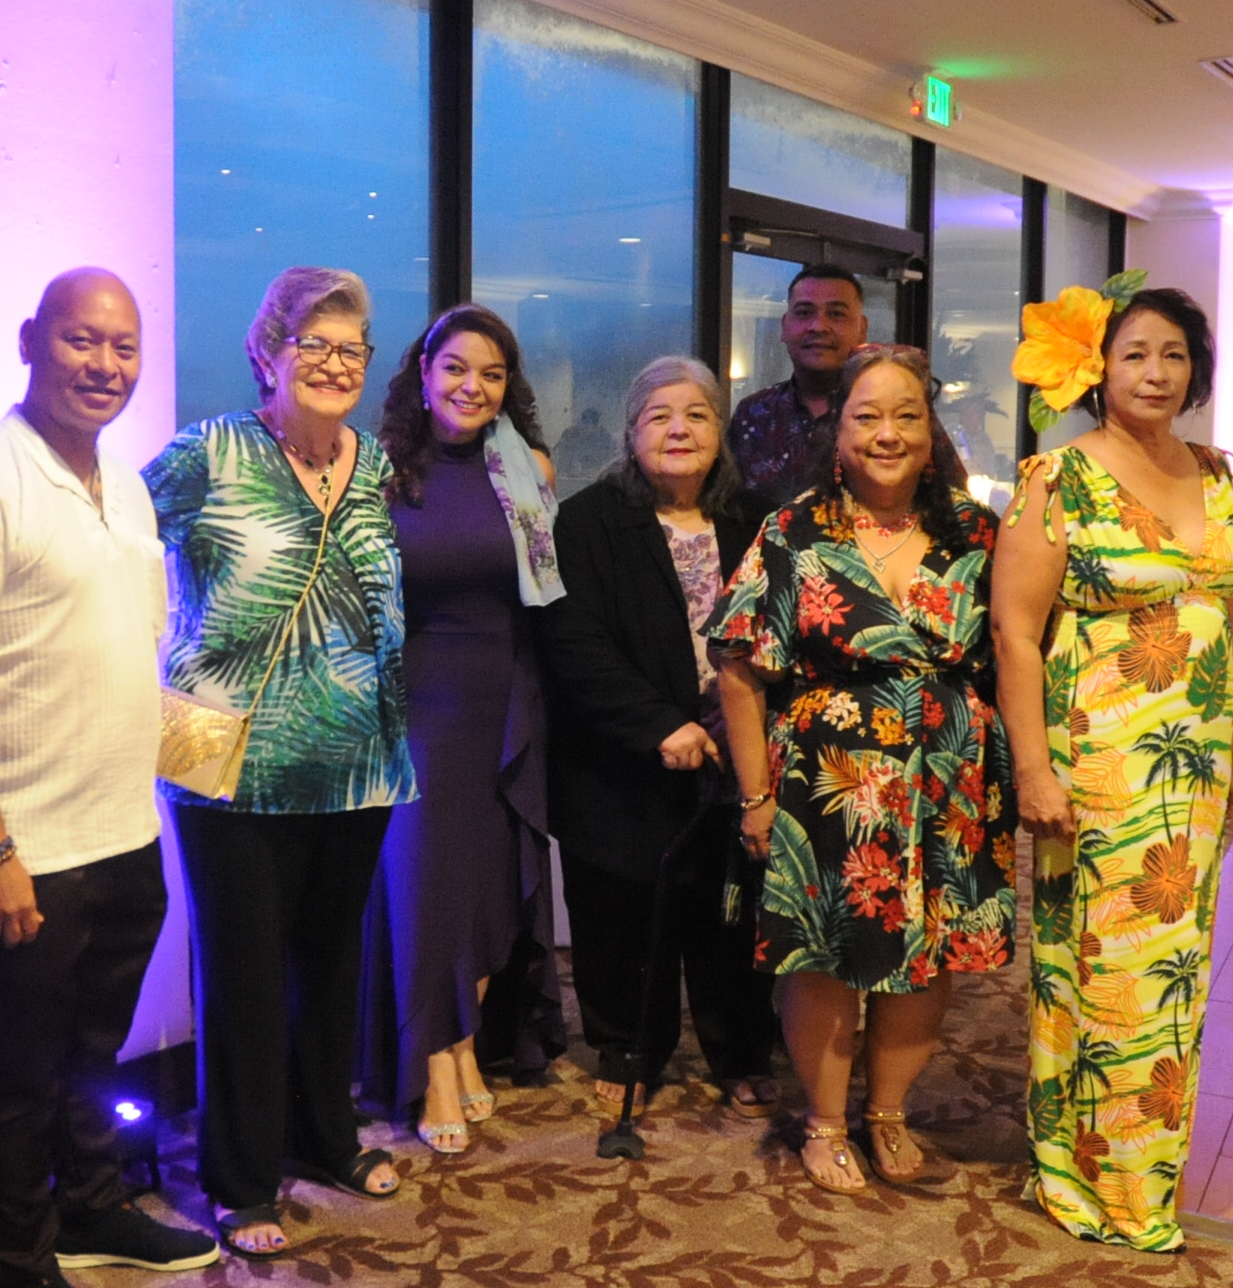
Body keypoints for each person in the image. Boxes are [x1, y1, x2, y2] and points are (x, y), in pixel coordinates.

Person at [0, 269, 220, 1288]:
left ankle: (92, 1208)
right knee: (17, 1068)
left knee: (95, 1048)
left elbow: (127, 646)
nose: (105, 365)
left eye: (123, 347)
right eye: (83, 341)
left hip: (124, 832)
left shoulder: (123, 484)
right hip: (22, 849)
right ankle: (23, 1265)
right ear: (32, 340)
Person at [144, 266, 414, 1259]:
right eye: (317, 344)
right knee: (246, 973)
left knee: (332, 958)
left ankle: (324, 1134)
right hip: (229, 762)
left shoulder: (373, 464)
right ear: (268, 351)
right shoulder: (206, 453)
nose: (337, 363)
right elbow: (113, 549)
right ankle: (242, 1175)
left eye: (354, 348)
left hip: (358, 756)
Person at [712, 348, 1016, 1195]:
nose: (887, 433)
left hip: (947, 778)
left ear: (932, 429)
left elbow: (1024, 653)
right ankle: (821, 1119)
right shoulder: (791, 530)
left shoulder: (979, 533)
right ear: (837, 431)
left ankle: (886, 1113)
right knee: (822, 956)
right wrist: (756, 798)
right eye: (866, 415)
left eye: (907, 415)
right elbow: (738, 669)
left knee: (927, 954)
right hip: (827, 778)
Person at [993, 280, 1233, 1251]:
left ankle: (1149, 1178)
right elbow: (1015, 635)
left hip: (1191, 770)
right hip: (1095, 764)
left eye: (1173, 354)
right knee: (1103, 976)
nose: (1155, 371)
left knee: (1173, 977)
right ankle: (1085, 1175)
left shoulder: (1218, 475)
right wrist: (1032, 768)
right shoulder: (1053, 478)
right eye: (1135, 351)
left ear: (1194, 371)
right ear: (1098, 368)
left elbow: (1232, 620)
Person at [543, 356, 781, 1122]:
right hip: (621, 757)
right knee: (619, 908)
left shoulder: (758, 518)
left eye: (698, 414)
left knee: (732, 913)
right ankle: (628, 1048)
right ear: (630, 431)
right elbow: (574, 642)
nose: (678, 429)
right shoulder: (588, 520)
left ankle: (741, 1050)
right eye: (658, 415)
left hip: (736, 753)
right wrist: (659, 724)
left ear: (721, 431)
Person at [358, 304, 566, 1154]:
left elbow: (545, 592)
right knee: (426, 886)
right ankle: (432, 1063)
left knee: (487, 883)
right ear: (422, 373)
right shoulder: (381, 470)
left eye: (490, 373)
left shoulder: (529, 470)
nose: (471, 386)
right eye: (454, 368)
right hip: (417, 705)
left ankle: (468, 1042)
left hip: (506, 697)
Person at [728, 263, 871, 503]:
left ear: (862, 329)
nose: (818, 326)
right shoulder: (753, 415)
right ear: (784, 326)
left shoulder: (889, 416)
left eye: (836, 314)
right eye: (804, 313)